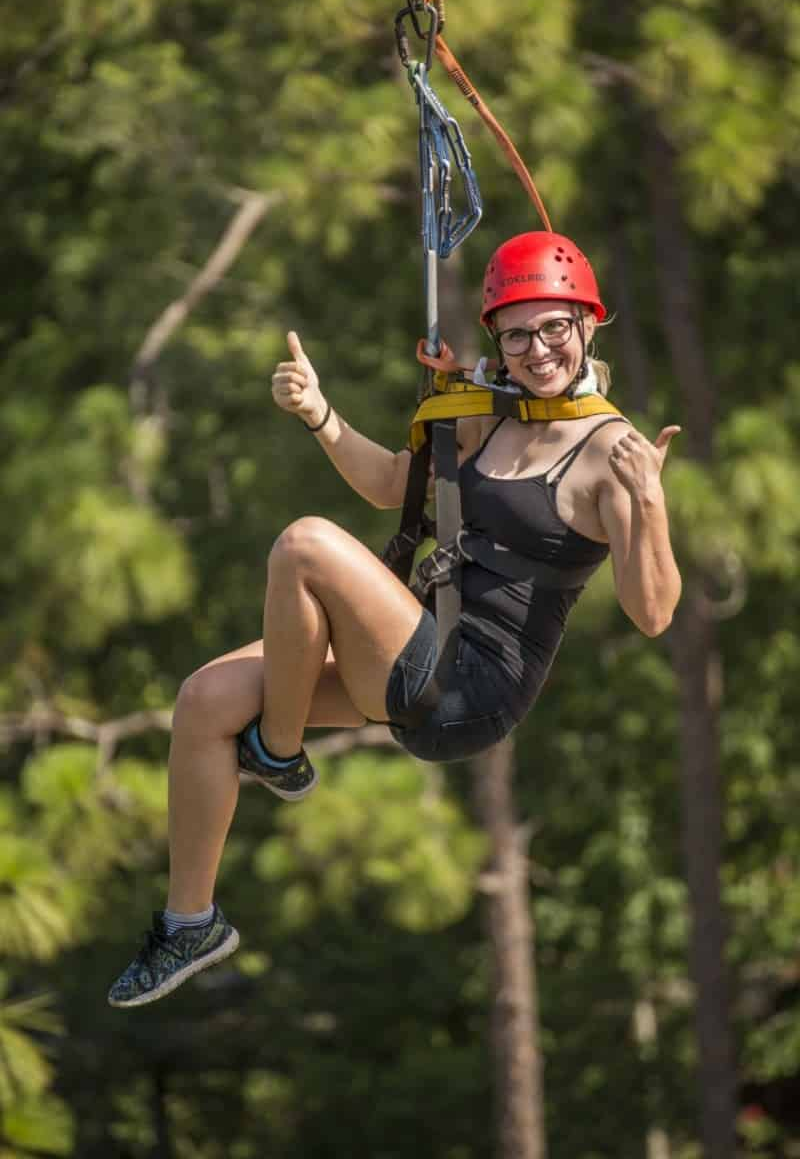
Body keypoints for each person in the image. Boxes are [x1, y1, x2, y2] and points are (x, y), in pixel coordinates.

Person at [108, 231, 681, 1008]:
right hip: (421, 636)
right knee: (204, 702)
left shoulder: (610, 455)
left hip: (469, 688)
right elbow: (387, 485)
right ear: (499, 342)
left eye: (554, 328)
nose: (538, 348)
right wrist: (319, 414)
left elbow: (653, 614)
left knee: (305, 544)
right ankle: (190, 923)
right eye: (517, 333)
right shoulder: (492, 415)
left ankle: (277, 754)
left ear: (587, 325)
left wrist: (649, 501)